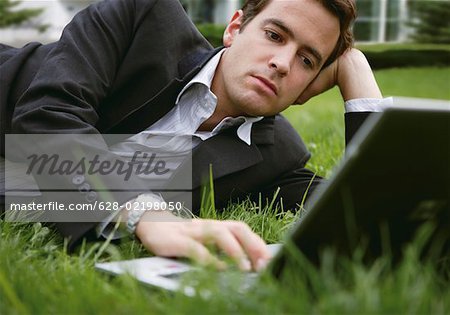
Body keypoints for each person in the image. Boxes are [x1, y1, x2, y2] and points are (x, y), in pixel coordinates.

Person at [0, 0, 388, 271]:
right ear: (235, 28)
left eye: (308, 60)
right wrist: (144, 214)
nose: (282, 64)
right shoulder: (144, 16)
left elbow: (370, 217)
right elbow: (47, 116)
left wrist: (356, 76)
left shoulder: (278, 155)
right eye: (274, 35)